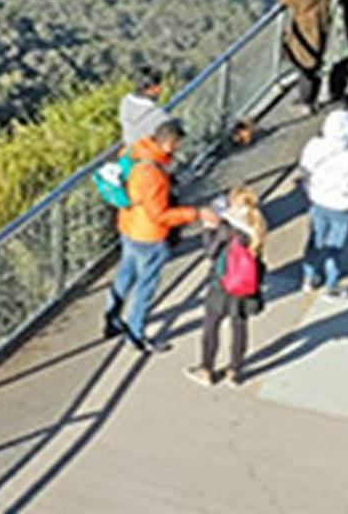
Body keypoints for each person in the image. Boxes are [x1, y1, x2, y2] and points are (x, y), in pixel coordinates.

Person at [103, 120, 209, 353]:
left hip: (128, 226)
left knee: (125, 274)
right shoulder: (153, 175)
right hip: (149, 236)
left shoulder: (134, 151)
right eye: (178, 143)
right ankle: (136, 333)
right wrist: (195, 214)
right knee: (145, 286)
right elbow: (160, 214)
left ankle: (112, 318)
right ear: (169, 143)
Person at [189, 184, 268, 388]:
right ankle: (235, 370)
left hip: (223, 283)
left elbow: (211, 252)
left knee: (211, 326)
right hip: (245, 285)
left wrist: (207, 229)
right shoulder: (256, 224)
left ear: (232, 203)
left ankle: (206, 368)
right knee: (239, 327)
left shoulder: (228, 228)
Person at [297, 108, 348, 296]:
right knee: (335, 247)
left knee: (315, 241)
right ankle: (331, 284)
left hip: (317, 201)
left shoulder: (313, 146)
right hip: (342, 208)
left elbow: (304, 171)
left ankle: (309, 277)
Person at [279, 0, 332, 114]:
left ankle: (306, 102)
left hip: (305, 35)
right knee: (313, 67)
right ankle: (311, 100)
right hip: (319, 34)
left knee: (305, 68)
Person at [119, 67, 172, 147]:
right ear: (152, 88)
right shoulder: (159, 116)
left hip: (128, 151)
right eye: (158, 86)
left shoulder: (125, 102)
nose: (160, 89)